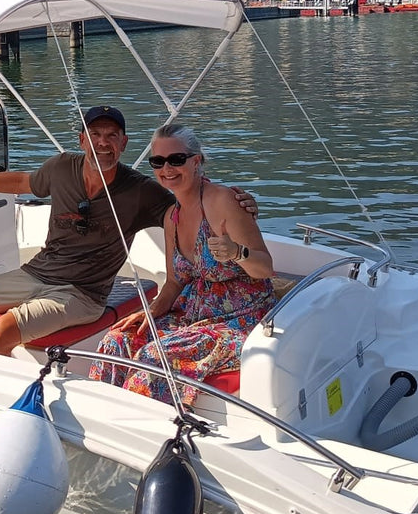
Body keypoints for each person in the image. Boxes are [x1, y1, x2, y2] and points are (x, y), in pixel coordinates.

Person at [0, 106, 257, 356]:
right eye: (96, 135)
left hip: (83, 294)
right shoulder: (60, 168)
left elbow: (187, 208)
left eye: (112, 136)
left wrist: (237, 204)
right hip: (35, 274)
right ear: (82, 139)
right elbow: (21, 182)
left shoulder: (140, 191)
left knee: (1, 329)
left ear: (124, 143)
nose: (103, 143)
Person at [90, 122, 279, 406]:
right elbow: (175, 281)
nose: (167, 168)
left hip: (241, 319)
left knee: (154, 356)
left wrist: (237, 252)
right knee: (116, 340)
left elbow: (265, 268)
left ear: (196, 161)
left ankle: (145, 429)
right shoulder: (171, 218)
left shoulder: (224, 201)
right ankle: (100, 416)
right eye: (158, 161)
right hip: (193, 314)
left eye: (176, 159)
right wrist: (150, 312)